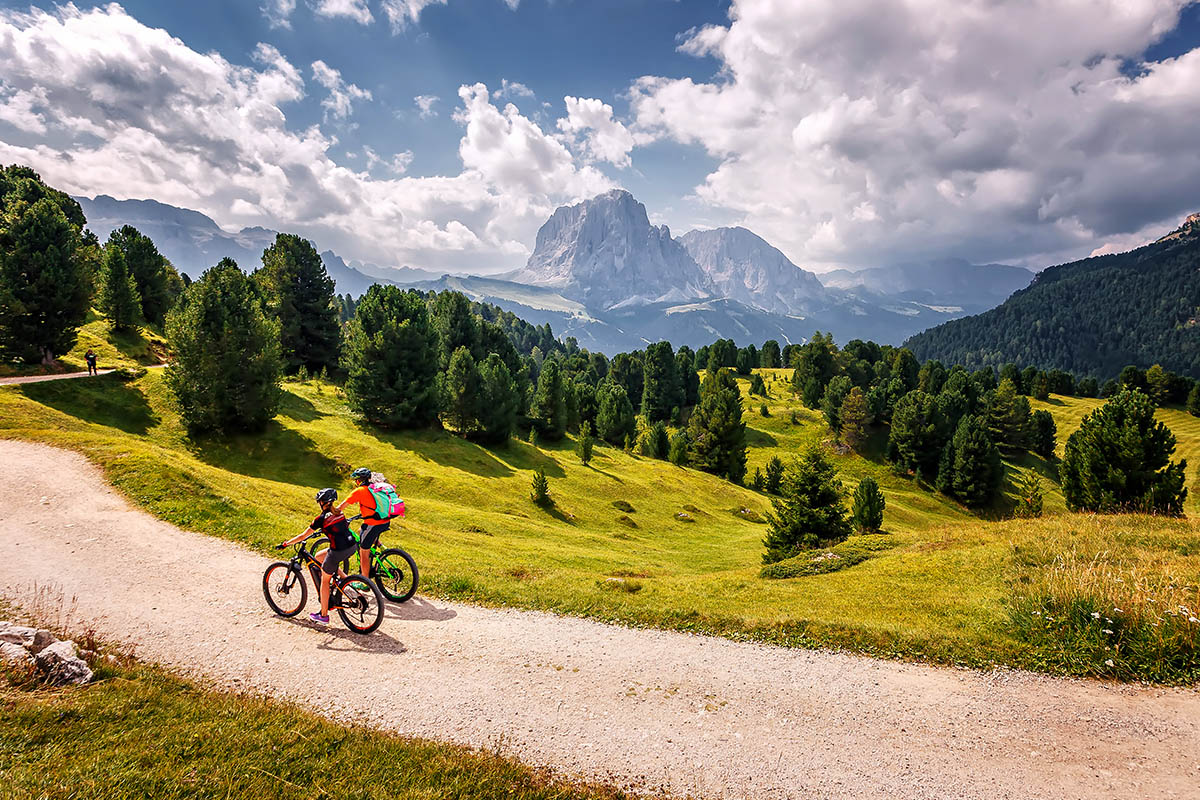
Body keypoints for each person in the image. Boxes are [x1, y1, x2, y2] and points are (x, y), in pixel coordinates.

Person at [277, 488, 358, 625]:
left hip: (337, 551)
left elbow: (303, 536)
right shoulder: (339, 512)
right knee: (319, 557)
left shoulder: (320, 519)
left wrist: (286, 543)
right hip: (351, 546)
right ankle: (346, 582)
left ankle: (323, 615)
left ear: (321, 502)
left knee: (325, 581)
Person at [338, 467, 390, 579]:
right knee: (361, 530)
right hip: (385, 521)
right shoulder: (375, 488)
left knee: (363, 551)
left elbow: (340, 508)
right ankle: (381, 547)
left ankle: (365, 581)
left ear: (359, 481)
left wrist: (329, 514)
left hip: (374, 523)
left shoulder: (359, 491)